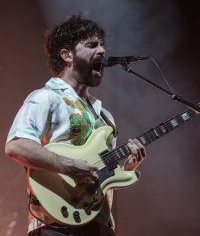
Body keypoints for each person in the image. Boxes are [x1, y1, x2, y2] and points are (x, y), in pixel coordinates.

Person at [5, 15, 146, 236]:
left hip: (99, 224)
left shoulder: (105, 117)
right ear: (66, 54)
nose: (102, 51)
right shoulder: (46, 98)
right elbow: (17, 146)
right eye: (92, 45)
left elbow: (100, 177)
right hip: (56, 225)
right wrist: (69, 165)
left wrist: (126, 169)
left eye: (102, 45)